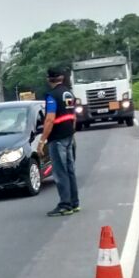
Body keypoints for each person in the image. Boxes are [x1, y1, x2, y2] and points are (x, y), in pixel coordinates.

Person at [38, 67, 79, 216]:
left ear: (49, 79)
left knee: (60, 172)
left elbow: (49, 119)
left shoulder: (52, 96)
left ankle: (65, 205)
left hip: (57, 138)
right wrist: (72, 133)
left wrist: (42, 141)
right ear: (61, 78)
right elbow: (74, 117)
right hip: (69, 135)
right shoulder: (69, 93)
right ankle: (74, 203)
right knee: (70, 170)